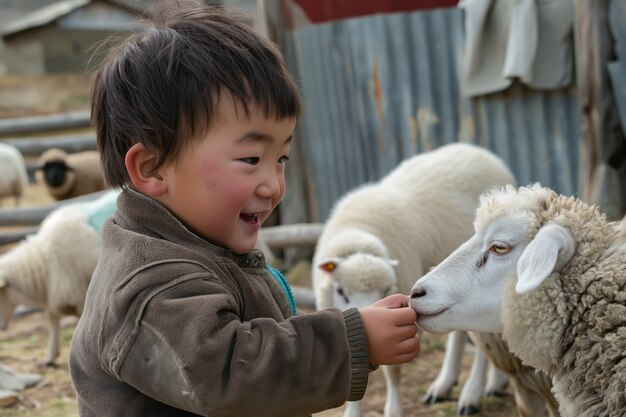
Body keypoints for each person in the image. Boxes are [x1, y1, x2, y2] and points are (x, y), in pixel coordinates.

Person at [68, 1, 420, 416]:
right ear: (153, 168)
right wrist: (349, 341)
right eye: (252, 159)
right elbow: (231, 375)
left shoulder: (198, 247)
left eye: (281, 159)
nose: (273, 185)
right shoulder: (150, 286)